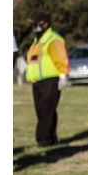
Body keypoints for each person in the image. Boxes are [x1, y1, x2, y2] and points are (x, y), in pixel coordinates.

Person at [25, 12, 70, 147]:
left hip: (50, 80)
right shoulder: (37, 41)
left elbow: (60, 58)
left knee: (46, 110)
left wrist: (63, 75)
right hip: (38, 82)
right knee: (43, 111)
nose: (33, 27)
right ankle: (51, 138)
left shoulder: (52, 39)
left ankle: (43, 140)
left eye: (35, 24)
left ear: (44, 24)